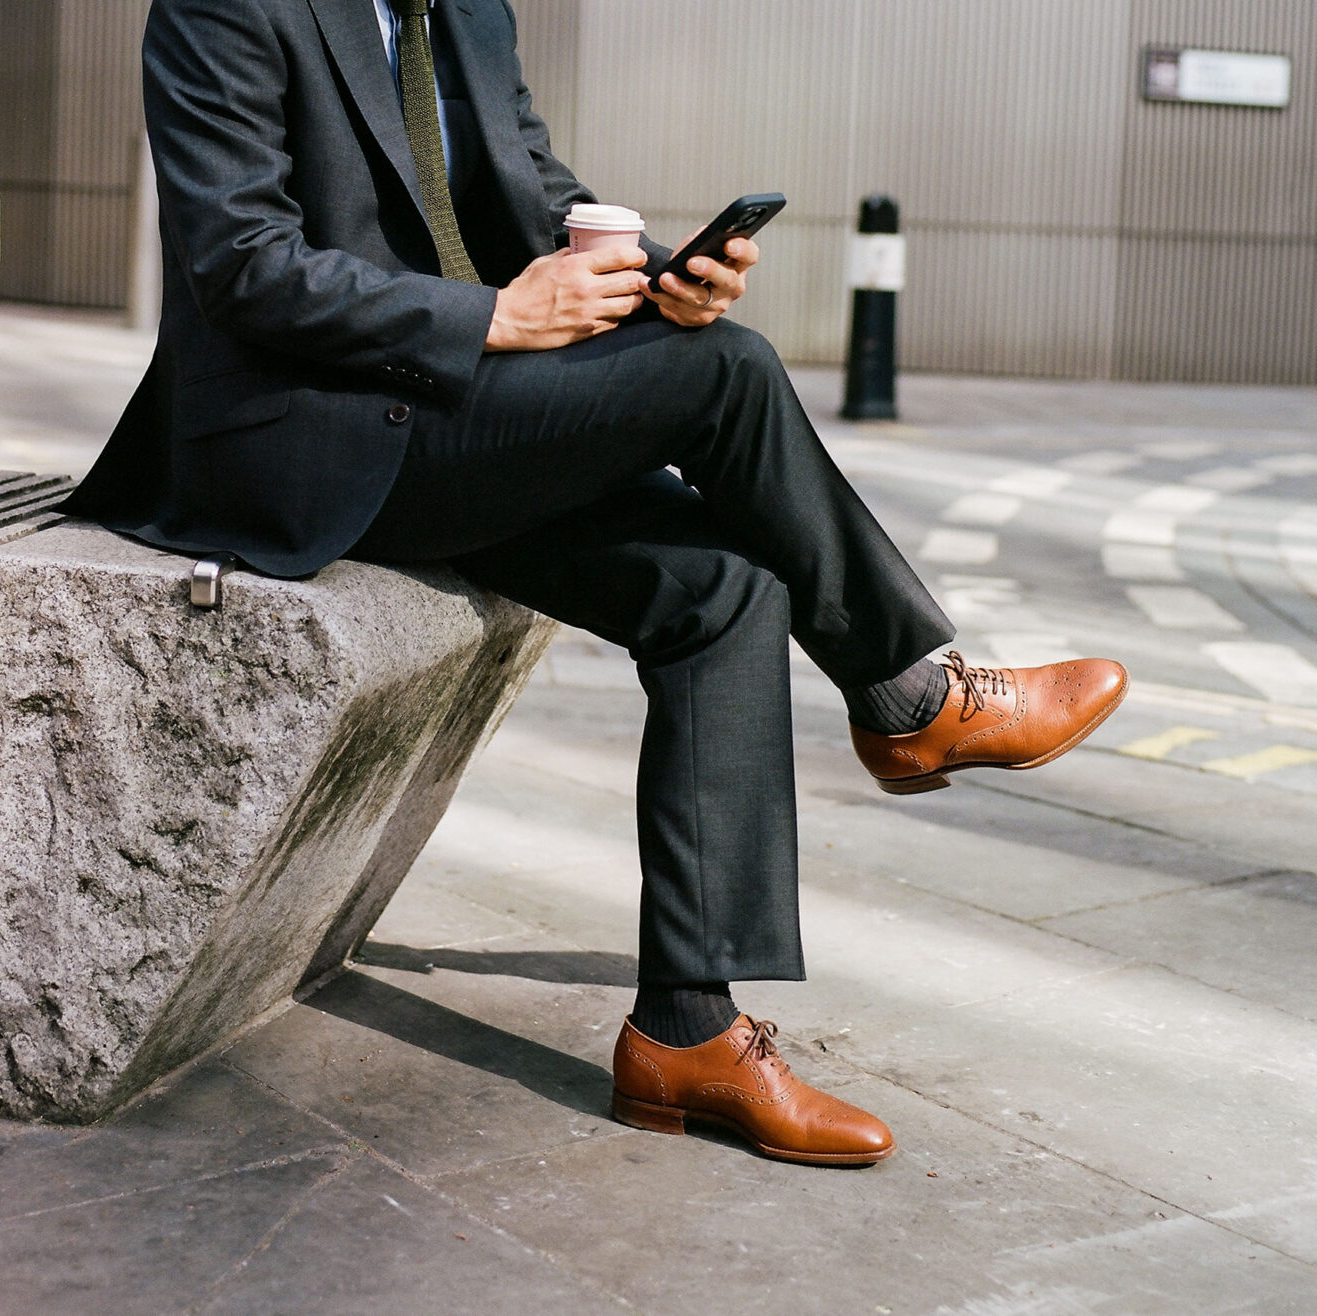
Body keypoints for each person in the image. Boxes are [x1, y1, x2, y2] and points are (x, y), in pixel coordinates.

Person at [63, 0, 1127, 1166]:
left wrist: (658, 278)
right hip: (298, 436)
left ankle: (688, 1032)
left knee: (724, 582)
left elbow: (537, 192)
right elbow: (241, 267)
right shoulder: (226, 8)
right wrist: (493, 315)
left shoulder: (463, 9)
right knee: (726, 377)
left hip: (459, 415)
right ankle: (914, 697)